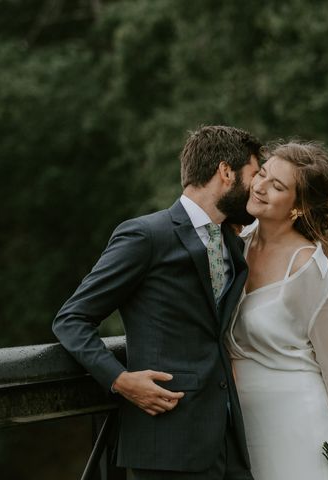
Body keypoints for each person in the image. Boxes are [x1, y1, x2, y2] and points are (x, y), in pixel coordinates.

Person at [52, 125, 262, 480]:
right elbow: (71, 319)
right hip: (167, 443)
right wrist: (119, 379)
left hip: (227, 443)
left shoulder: (231, 242)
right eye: (254, 175)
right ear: (226, 172)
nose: (256, 188)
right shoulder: (146, 235)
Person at [226, 141, 328, 480]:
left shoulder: (307, 267)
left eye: (277, 186)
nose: (261, 187)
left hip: (298, 426)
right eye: (262, 174)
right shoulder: (236, 244)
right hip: (244, 430)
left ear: (299, 207)